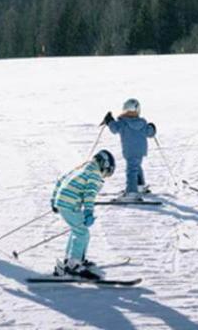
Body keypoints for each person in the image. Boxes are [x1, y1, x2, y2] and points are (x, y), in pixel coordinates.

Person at [51, 149, 114, 279]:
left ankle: (71, 259)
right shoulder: (94, 175)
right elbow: (89, 195)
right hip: (70, 205)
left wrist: (54, 200)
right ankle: (73, 265)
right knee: (82, 233)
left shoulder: (82, 168)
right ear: (105, 165)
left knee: (77, 231)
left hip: (63, 202)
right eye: (107, 173)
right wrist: (88, 213)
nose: (104, 176)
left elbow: (61, 180)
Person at [103, 99, 156, 200]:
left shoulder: (123, 123)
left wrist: (109, 120)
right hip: (140, 150)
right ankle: (139, 186)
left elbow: (114, 129)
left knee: (131, 170)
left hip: (130, 150)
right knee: (136, 166)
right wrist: (152, 127)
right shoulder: (142, 123)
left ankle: (131, 192)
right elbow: (150, 133)